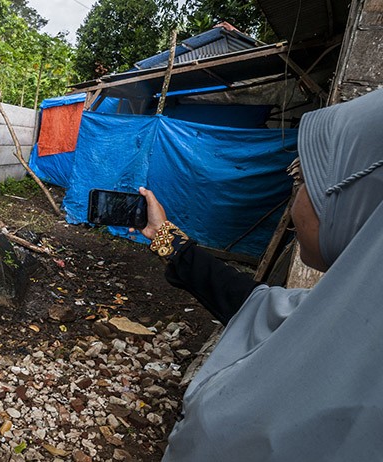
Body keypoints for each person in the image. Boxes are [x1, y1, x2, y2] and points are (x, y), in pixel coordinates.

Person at [135, 88, 383, 461]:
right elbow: (259, 306)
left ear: (354, 199)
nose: (294, 200)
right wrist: (165, 238)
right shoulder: (344, 322)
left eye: (302, 183)